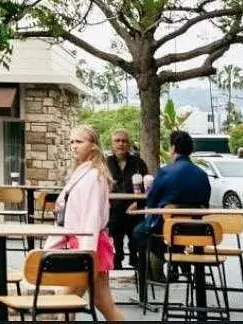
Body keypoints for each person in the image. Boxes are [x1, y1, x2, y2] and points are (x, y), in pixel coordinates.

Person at [45, 126, 124, 322]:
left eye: (79, 142)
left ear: (93, 146)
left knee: (65, 301)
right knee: (100, 302)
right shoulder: (85, 173)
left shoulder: (93, 176)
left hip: (88, 247)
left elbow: (91, 219)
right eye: (72, 141)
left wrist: (86, 254)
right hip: (87, 246)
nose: (74, 146)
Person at [132, 130, 210, 280]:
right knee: (174, 233)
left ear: (173, 148)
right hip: (197, 228)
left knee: (139, 232)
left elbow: (151, 202)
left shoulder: (166, 172)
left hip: (168, 226)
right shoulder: (202, 174)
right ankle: (179, 258)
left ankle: (172, 258)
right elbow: (205, 202)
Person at [105, 128, 148, 270]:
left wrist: (138, 202)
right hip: (114, 209)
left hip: (134, 208)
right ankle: (117, 259)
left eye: (124, 141)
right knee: (115, 238)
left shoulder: (138, 163)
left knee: (135, 238)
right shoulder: (105, 163)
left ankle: (136, 261)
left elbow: (147, 186)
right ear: (112, 144)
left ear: (129, 144)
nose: (121, 144)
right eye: (117, 141)